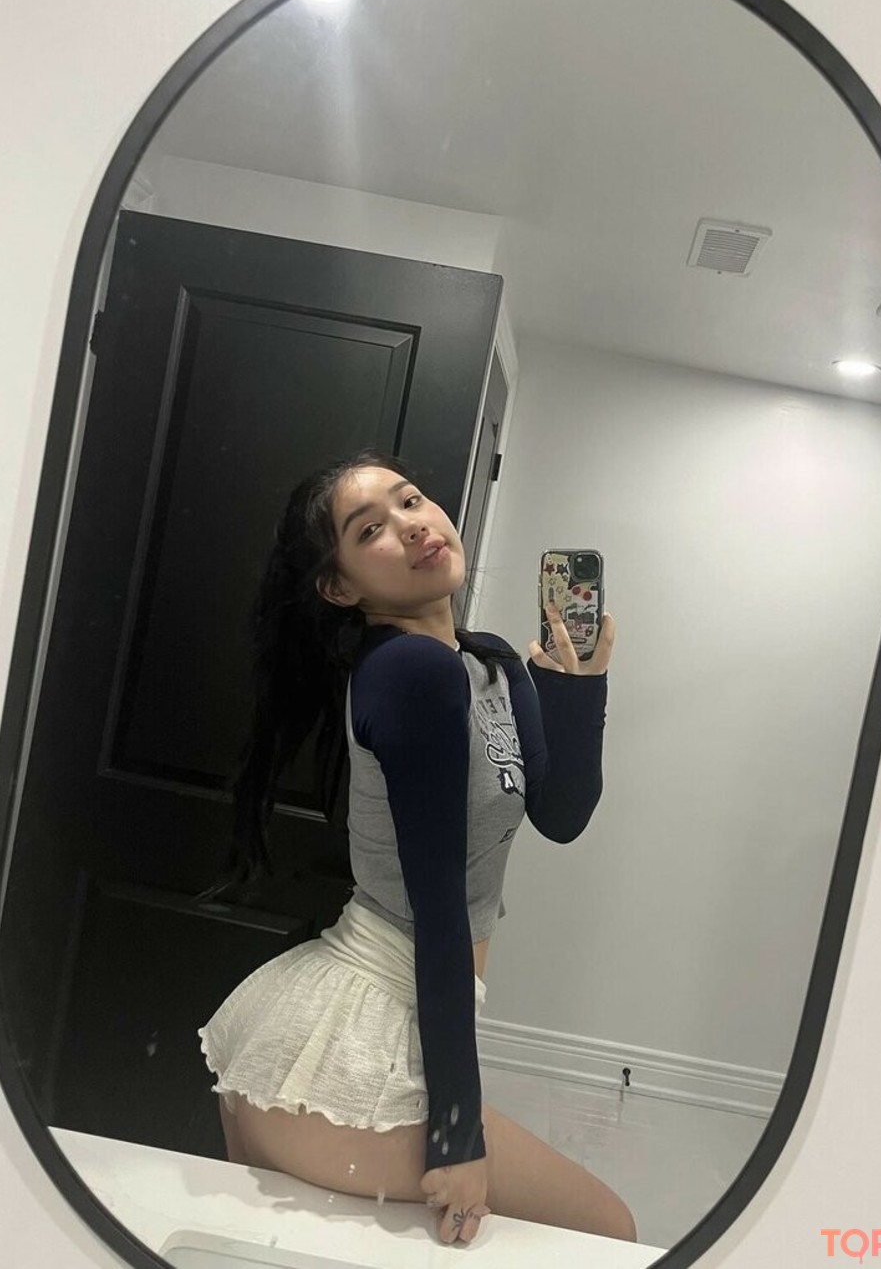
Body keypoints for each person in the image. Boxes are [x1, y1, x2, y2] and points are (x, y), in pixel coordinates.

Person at [198, 449, 635, 1246]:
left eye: (410, 501)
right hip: (359, 1020)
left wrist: (580, 689)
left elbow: (563, 814)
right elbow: (439, 908)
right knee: (611, 1229)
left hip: (397, 1011)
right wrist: (455, 1137)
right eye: (370, 530)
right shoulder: (410, 672)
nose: (411, 525)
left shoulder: (492, 664)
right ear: (341, 588)